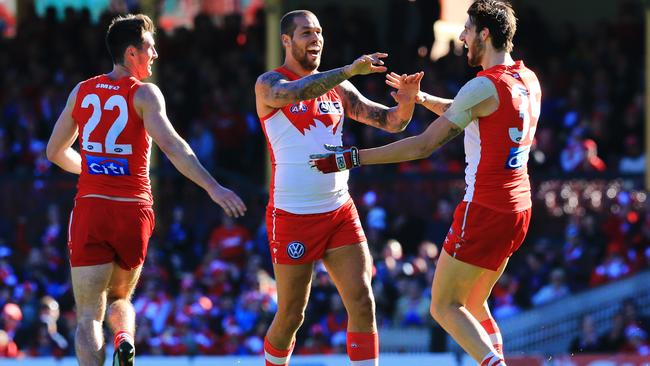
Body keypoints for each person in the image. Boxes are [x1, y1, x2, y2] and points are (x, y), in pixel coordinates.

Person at [310, 1, 541, 365]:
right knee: (474, 303)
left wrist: (352, 157)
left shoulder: (483, 86)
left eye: (467, 29)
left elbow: (424, 145)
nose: (462, 37)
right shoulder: (526, 79)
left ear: (484, 34)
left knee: (444, 306)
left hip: (484, 209)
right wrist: (419, 98)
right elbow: (476, 110)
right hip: (518, 210)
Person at [46, 14, 246, 366]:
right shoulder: (144, 94)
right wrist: (213, 187)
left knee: (89, 314)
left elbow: (54, 152)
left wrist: (92, 168)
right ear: (131, 53)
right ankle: (124, 337)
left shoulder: (82, 91)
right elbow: (173, 146)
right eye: (150, 47)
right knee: (122, 296)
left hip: (92, 206)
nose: (155, 54)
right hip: (132, 207)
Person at [254, 9, 422, 366]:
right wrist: (346, 71)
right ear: (286, 41)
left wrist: (406, 100)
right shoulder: (269, 84)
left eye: (318, 32)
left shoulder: (339, 89)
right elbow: (297, 92)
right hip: (293, 215)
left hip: (339, 211)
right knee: (291, 316)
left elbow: (390, 122)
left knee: (362, 301)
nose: (315, 39)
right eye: (305, 33)